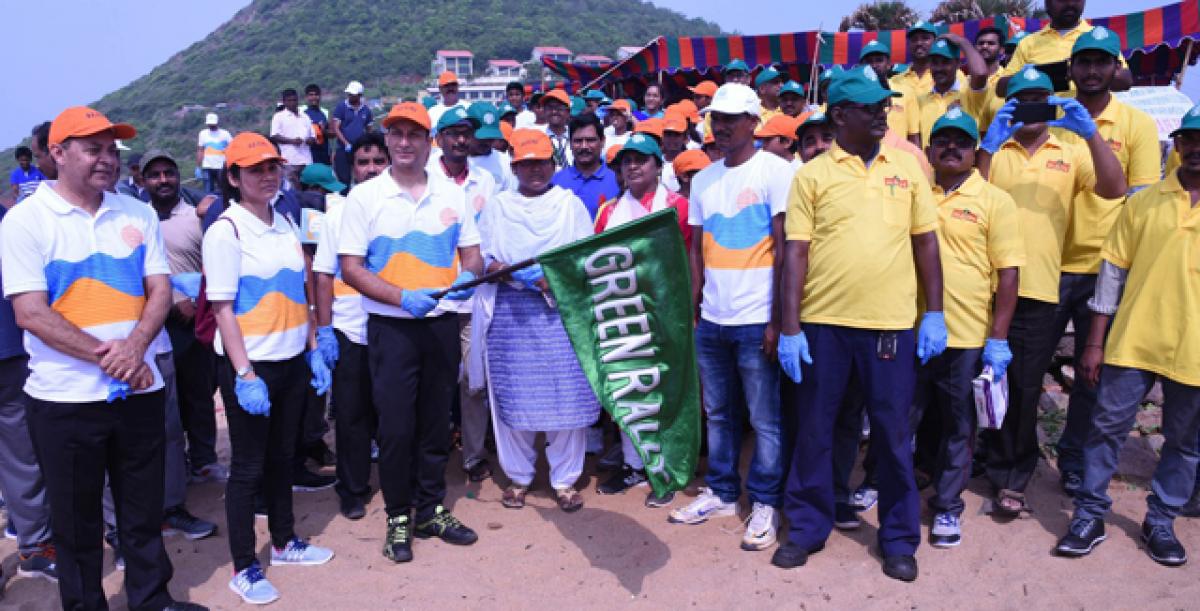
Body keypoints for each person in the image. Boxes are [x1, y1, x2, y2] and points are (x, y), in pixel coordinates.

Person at [1, 106, 206, 611]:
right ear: (58, 153)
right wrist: (106, 356)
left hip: (138, 388)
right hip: (65, 399)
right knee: (77, 522)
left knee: (141, 510)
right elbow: (30, 312)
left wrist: (135, 349)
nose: (107, 160)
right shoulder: (25, 222)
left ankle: (150, 597)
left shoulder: (134, 213)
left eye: (113, 150)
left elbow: (159, 289)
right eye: (94, 149)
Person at [773, 66, 947, 582]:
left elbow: (926, 243)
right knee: (816, 431)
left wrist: (934, 313)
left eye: (883, 106)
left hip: (891, 325)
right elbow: (795, 254)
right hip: (824, 326)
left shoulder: (909, 167)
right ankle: (805, 528)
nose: (881, 114)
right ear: (841, 115)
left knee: (893, 438)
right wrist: (790, 327)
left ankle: (897, 538)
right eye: (870, 107)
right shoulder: (812, 175)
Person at [1053, 105, 1200, 567]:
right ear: (1177, 146)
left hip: (1194, 347)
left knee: (1185, 442)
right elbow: (1112, 274)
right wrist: (1093, 342)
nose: (1197, 149)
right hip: (1133, 338)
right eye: (1190, 140)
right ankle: (1090, 514)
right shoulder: (1143, 202)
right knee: (1105, 429)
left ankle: (1161, 519)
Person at [976, 67, 1126, 516]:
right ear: (1012, 105)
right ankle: (981, 456)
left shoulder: (1072, 150)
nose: (1032, 107)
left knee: (1022, 386)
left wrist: (1092, 135)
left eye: (1041, 98)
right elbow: (972, 194)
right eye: (1023, 100)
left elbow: (1115, 188)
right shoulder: (997, 147)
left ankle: (1013, 473)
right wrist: (987, 144)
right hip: (981, 284)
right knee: (980, 379)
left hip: (1039, 285)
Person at [338, 101, 482, 564]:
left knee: (437, 422)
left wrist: (464, 278)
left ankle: (431, 508)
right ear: (386, 140)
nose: (404, 143)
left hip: (440, 323)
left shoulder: (452, 196)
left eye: (413, 134)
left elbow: (473, 256)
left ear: (428, 141)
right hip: (392, 329)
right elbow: (351, 268)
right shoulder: (365, 198)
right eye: (396, 134)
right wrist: (401, 298)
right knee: (397, 427)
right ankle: (399, 514)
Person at [203, 132, 334, 605]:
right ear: (233, 177)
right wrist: (244, 374)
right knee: (248, 468)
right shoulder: (227, 231)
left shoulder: (284, 222)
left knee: (283, 457)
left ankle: (284, 542)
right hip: (251, 367)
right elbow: (222, 309)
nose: (267, 175)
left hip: (291, 359)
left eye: (272, 167)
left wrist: (314, 346)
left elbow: (299, 293)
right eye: (255, 169)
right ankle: (244, 567)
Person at [671, 83, 790, 553]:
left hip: (756, 315)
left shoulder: (775, 173)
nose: (721, 126)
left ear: (753, 123)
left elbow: (785, 250)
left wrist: (777, 320)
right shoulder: (703, 180)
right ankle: (722, 492)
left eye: (732, 118)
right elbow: (698, 250)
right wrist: (697, 305)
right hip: (713, 320)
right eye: (716, 118)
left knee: (765, 419)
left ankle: (765, 500)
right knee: (718, 414)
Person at [1051, 27, 1160, 495]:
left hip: (1104, 266)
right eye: (1084, 62)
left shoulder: (1137, 124)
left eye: (1102, 62)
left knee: (1091, 375)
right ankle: (1003, 453)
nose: (1092, 71)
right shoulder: (1052, 113)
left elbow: (1140, 201)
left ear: (1116, 68)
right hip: (1047, 264)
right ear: (1071, 68)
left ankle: (1073, 459)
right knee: (1022, 368)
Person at [467, 128, 597, 513]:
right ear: (514, 166)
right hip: (511, 313)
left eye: (541, 162)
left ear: (553, 165)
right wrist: (506, 271)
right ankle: (518, 477)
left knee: (567, 398)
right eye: (526, 164)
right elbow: (482, 258)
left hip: (561, 315)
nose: (534, 170)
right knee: (513, 398)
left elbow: (584, 260)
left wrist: (552, 278)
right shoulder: (498, 206)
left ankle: (565, 481)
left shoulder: (569, 205)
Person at [914, 109, 1024, 548]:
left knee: (959, 426)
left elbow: (1009, 274)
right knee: (903, 418)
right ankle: (890, 487)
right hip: (911, 331)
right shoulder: (916, 194)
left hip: (965, 336)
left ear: (974, 150)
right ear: (930, 150)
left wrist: (997, 339)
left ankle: (947, 507)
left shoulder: (995, 200)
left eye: (961, 142)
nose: (952, 148)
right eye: (943, 141)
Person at [590, 134, 692, 506]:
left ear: (657, 165)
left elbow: (689, 264)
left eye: (641, 160)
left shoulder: (678, 207)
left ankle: (665, 470)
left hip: (668, 315)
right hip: (623, 313)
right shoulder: (607, 212)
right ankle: (634, 466)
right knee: (629, 391)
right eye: (626, 161)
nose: (633, 167)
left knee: (665, 394)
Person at [140, 149, 222, 538]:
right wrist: (172, 301)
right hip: (158, 323)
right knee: (165, 406)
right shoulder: (134, 220)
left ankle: (203, 459)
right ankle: (173, 476)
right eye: (154, 175)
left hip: (195, 319)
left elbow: (213, 261)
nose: (162, 180)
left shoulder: (196, 216)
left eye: (168, 173)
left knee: (200, 391)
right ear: (143, 181)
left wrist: (197, 304)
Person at [430, 106, 500, 485]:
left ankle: (473, 456)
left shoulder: (486, 182)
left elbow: (494, 233)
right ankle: (434, 453)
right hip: (433, 300)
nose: (460, 139)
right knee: (436, 383)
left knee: (475, 383)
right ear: (438, 139)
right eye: (452, 132)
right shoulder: (423, 180)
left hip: (477, 298)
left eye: (465, 133)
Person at [0, 170, 56, 584]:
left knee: (21, 454)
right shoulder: (11, 220)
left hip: (10, 349)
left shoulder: (10, 221)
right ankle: (34, 544)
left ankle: (34, 541)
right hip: (9, 350)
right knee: (22, 454)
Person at [998, 0, 1132, 96]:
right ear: (1047, 3)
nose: (1070, 4)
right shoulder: (1028, 43)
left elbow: (1125, 81)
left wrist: (1079, 72)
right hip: (1045, 130)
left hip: (1090, 127)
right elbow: (1001, 88)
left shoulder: (1098, 37)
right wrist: (1046, 74)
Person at [914, 36, 990, 147]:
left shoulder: (969, 93)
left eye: (945, 62)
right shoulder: (920, 100)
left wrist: (961, 41)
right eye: (935, 63)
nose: (939, 68)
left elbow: (980, 73)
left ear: (958, 63)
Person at [550, 114, 618, 219]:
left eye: (590, 140)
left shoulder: (617, 182)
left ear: (602, 141)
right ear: (570, 143)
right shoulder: (555, 182)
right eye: (578, 141)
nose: (584, 146)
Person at [858, 40, 921, 146]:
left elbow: (913, 136)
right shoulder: (854, 96)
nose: (874, 65)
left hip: (900, 159)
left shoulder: (906, 92)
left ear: (888, 64)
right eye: (869, 62)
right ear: (861, 66)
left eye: (879, 60)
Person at [466, 102, 517, 191]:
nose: (487, 142)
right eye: (482, 137)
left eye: (491, 137)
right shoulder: (453, 162)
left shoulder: (505, 163)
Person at [270, 88, 316, 186]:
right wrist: (292, 141)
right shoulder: (279, 117)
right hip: (289, 161)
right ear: (284, 102)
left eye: (294, 100)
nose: (293, 103)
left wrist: (310, 140)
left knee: (308, 190)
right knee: (293, 191)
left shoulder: (305, 116)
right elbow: (274, 136)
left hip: (306, 160)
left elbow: (313, 136)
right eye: (289, 100)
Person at [331, 81, 374, 185]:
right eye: (349, 94)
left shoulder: (366, 110)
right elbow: (336, 128)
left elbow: (369, 129)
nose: (350, 96)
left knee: (361, 178)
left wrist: (367, 144)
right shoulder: (341, 107)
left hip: (359, 149)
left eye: (353, 95)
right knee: (344, 179)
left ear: (359, 95)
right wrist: (346, 143)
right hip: (343, 148)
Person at [891, 21, 941, 96]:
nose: (919, 43)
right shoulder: (895, 81)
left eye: (925, 38)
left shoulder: (952, 76)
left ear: (936, 42)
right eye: (914, 39)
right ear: (908, 45)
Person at [196, 113, 232, 195]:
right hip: (207, 167)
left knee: (223, 190)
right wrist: (198, 167)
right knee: (207, 193)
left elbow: (232, 148)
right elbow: (200, 150)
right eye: (210, 124)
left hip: (221, 167)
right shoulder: (203, 134)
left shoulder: (225, 134)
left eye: (213, 124)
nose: (211, 125)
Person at [304, 84, 332, 166]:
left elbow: (332, 134)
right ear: (307, 97)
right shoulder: (303, 115)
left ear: (320, 96)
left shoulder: (325, 113)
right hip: (309, 156)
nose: (314, 97)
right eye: (311, 95)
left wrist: (324, 131)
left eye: (316, 95)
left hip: (324, 156)